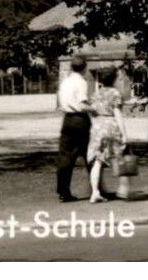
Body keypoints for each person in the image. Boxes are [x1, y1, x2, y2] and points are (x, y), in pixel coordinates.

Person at [86, 67, 129, 204]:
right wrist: (124, 134)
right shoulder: (115, 93)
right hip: (111, 126)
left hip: (98, 127)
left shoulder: (96, 94)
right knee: (119, 157)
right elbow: (117, 114)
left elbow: (91, 111)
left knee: (98, 161)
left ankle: (95, 192)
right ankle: (123, 189)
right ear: (114, 78)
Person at [56, 55, 92, 202]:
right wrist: (94, 108)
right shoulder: (81, 82)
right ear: (84, 68)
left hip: (67, 119)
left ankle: (63, 191)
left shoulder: (65, 81)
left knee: (65, 156)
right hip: (80, 119)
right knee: (90, 154)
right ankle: (96, 188)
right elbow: (82, 104)